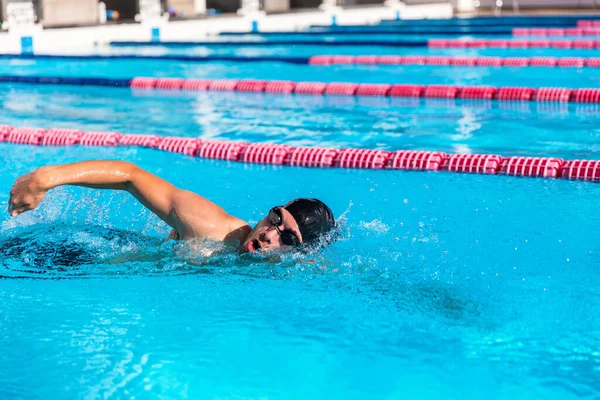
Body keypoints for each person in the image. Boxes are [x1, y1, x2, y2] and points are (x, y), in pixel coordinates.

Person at [7, 161, 336, 254]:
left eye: (287, 238)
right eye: (275, 218)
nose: (268, 234)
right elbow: (132, 177)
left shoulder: (292, 274)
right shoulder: (212, 227)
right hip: (75, 257)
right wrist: (48, 178)